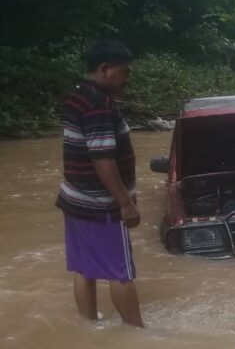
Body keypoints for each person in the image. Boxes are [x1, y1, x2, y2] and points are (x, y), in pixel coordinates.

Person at [56, 40, 144, 327]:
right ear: (105, 69)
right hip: (101, 204)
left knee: (84, 268)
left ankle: (89, 327)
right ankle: (137, 335)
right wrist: (125, 203)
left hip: (75, 199)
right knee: (120, 272)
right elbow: (102, 158)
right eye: (125, 72)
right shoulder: (99, 105)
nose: (127, 79)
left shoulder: (77, 95)